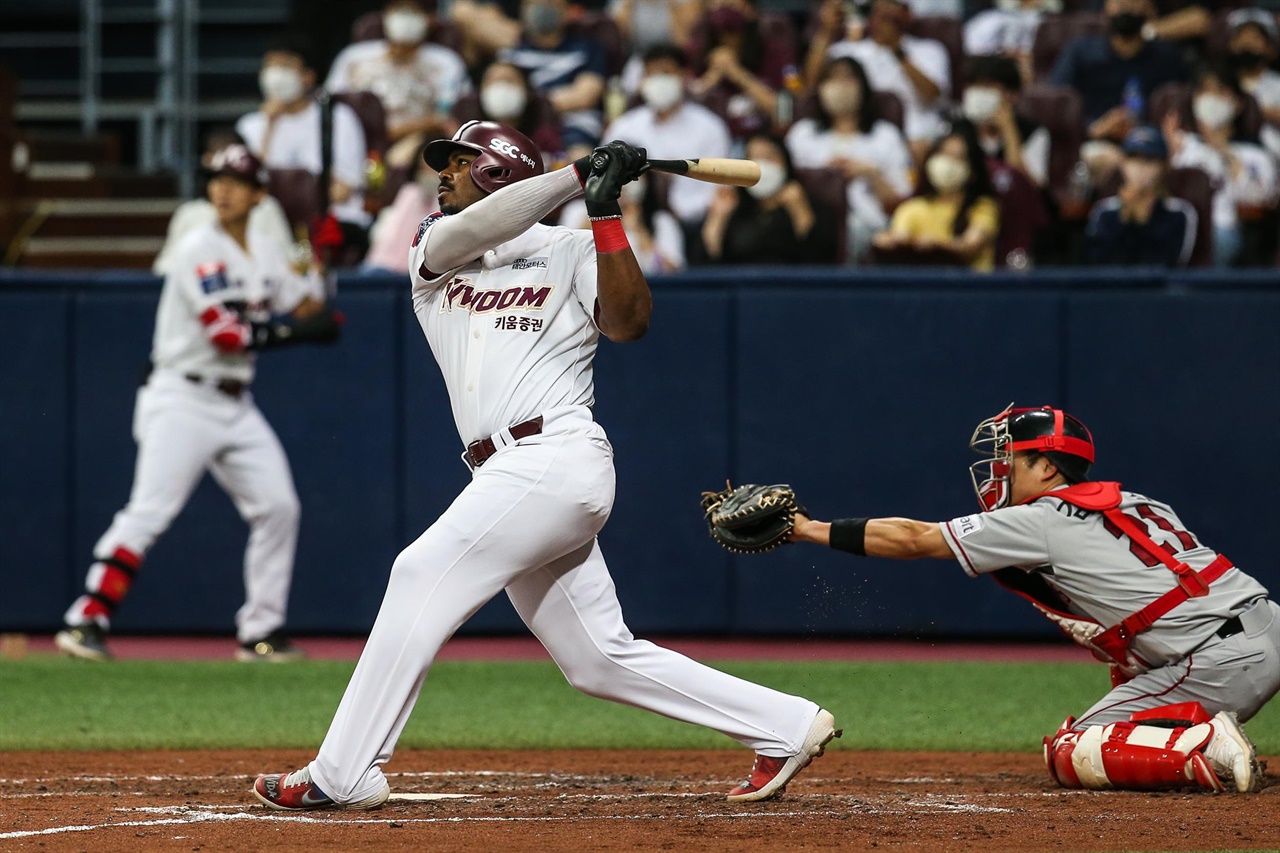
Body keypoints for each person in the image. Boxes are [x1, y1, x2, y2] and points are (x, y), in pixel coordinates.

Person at [250, 122, 839, 811]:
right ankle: (786, 724)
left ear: (503, 171)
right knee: (597, 656)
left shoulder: (573, 248)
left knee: (418, 570)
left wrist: (604, 210)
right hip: (503, 473)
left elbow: (629, 322)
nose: (444, 175)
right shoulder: (432, 249)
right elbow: (482, 227)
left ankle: (343, 770)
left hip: (554, 454)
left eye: (463, 163)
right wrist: (573, 174)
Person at [782, 403, 1278, 794]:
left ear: (1045, 467)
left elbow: (915, 538)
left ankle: (1205, 747)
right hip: (1267, 622)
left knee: (1071, 749)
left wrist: (808, 530)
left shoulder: (1040, 518)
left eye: (1011, 459)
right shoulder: (1139, 502)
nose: (998, 470)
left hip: (1218, 663)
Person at [54, 146, 343, 663]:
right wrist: (298, 330)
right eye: (215, 179)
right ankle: (85, 620)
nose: (221, 189)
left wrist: (326, 261)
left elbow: (309, 309)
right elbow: (228, 336)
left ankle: (262, 630)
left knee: (279, 507)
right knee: (149, 513)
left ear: (259, 195)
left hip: (235, 402)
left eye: (234, 181)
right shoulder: (197, 246)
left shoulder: (264, 246)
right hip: (181, 396)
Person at [236, 40, 372, 256]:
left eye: (285, 67)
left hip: (329, 219)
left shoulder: (337, 119)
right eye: (270, 67)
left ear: (307, 77)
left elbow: (344, 190)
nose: (276, 76)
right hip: (271, 220)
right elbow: (245, 186)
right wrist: (269, 128)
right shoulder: (250, 126)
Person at [785, 56, 913, 263]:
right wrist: (823, 178)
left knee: (855, 230)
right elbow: (785, 184)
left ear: (863, 86)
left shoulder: (885, 135)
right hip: (813, 217)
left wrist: (871, 174)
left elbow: (902, 201)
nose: (840, 87)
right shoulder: (803, 134)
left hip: (868, 222)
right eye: (831, 80)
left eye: (847, 79)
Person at [1050, 0, 1188, 187]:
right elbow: (1055, 103)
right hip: (1096, 140)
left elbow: (1177, 110)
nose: (1126, 6)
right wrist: (1095, 128)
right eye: (1118, 1)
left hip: (1151, 144)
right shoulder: (1081, 51)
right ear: (1105, 7)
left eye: (1134, 1)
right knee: (1096, 160)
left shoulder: (1167, 57)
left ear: (1151, 9)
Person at [325, 0, 471, 169]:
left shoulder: (447, 62)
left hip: (417, 141)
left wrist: (403, 130)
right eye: (399, 11)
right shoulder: (353, 58)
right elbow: (330, 105)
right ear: (384, 17)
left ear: (429, 20)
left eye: (412, 12)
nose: (405, 19)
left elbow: (447, 117)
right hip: (357, 138)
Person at [604, 43, 732, 227]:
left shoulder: (709, 127)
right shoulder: (624, 126)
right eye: (652, 74)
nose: (658, 80)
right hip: (631, 218)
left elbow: (718, 184)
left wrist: (680, 212)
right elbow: (605, 177)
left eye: (665, 73)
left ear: (683, 76)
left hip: (690, 222)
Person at [1162, 65, 1278, 268]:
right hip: (1175, 224)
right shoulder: (1183, 144)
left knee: (1215, 238)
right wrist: (1169, 155)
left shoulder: (1256, 155)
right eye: (1205, 91)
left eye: (1220, 92)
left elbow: (1258, 199)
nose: (1211, 99)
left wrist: (1222, 150)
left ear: (1238, 103)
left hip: (1221, 227)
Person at [812, 0, 951, 159]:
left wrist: (896, 50)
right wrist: (826, 31)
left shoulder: (930, 49)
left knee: (918, 149)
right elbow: (812, 82)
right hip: (867, 133)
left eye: (892, 7)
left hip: (918, 134)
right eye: (879, 9)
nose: (885, 15)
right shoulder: (851, 51)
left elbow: (932, 95)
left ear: (908, 13)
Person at [153, 131, 296, 276]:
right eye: (219, 180)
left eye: (236, 182)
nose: (224, 191)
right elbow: (164, 268)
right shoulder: (189, 215)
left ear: (258, 194)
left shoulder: (267, 209)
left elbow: (289, 266)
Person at [872, 121, 1001, 271]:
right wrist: (887, 241)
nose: (947, 163)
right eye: (943, 154)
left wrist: (937, 246)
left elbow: (969, 247)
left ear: (972, 170)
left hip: (971, 289)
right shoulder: (913, 208)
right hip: (923, 289)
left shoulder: (983, 208)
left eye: (957, 158)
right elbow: (900, 240)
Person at [701, 132, 840, 264]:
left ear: (786, 163)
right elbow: (704, 266)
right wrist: (718, 218)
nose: (762, 166)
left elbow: (821, 260)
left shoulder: (814, 208)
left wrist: (800, 211)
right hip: (742, 286)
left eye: (769, 157)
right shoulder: (735, 210)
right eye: (753, 158)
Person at [498, 0, 611, 154]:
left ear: (568, 11)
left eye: (550, 2)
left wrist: (535, 103)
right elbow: (504, 95)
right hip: (524, 124)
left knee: (580, 159)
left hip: (573, 125)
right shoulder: (511, 53)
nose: (542, 6)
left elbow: (585, 96)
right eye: (534, 3)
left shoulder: (587, 48)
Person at [1085, 125, 1197, 266]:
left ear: (1163, 167)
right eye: (1133, 159)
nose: (1140, 168)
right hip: (1114, 287)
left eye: (1148, 161)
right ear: (1123, 164)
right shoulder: (1104, 212)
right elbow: (1098, 262)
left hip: (1160, 288)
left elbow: (1173, 262)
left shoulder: (1180, 213)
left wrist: (1146, 221)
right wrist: (1124, 220)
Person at [687, 0, 796, 141]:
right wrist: (711, 77)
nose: (728, 40)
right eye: (721, 34)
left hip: (764, 139)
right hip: (714, 141)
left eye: (733, 32)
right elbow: (687, 108)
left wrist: (737, 73)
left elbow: (784, 113)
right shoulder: (702, 51)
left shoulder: (775, 51)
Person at [559, 173, 687, 273]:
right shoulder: (576, 210)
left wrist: (639, 230)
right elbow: (563, 258)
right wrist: (598, 210)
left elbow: (670, 272)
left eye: (633, 179)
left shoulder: (661, 221)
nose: (625, 185)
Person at [961, 55, 1051, 189]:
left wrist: (1008, 129)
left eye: (987, 86)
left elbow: (1028, 188)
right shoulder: (957, 129)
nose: (978, 93)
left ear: (1012, 95)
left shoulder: (1034, 134)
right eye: (974, 86)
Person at [453, 60, 566, 163]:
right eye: (493, 81)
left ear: (527, 92)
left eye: (509, 81)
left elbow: (560, 162)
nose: (501, 88)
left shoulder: (545, 136)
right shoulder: (466, 135)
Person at [1225, 8, 1280, 159]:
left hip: (1272, 157)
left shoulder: (1277, 84)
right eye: (1241, 37)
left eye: (1255, 38)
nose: (1247, 43)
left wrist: (1254, 111)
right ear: (1231, 44)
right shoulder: (1220, 81)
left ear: (1270, 48)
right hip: (1227, 153)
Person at [964, 0, 1062, 81]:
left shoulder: (1056, 25)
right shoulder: (985, 21)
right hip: (991, 74)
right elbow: (972, 62)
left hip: (1032, 75)